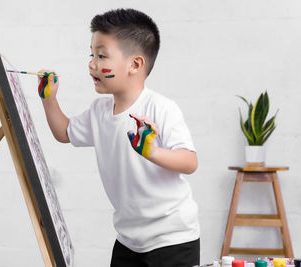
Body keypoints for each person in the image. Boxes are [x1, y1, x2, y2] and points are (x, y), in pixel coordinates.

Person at [38, 8, 200, 267]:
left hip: (173, 237)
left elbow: (189, 161)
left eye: (102, 56)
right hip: (128, 240)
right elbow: (64, 132)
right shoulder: (98, 112)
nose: (92, 63)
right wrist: (49, 99)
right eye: (91, 54)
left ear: (135, 64)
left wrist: (152, 152)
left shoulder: (160, 108)